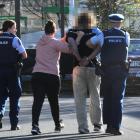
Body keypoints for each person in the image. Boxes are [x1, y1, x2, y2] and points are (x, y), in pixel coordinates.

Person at [87, 14, 130, 135]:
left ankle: (108, 125)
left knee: (108, 98)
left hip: (106, 71)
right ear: (120, 22)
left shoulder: (103, 35)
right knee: (118, 99)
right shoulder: (126, 35)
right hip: (120, 71)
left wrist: (100, 47)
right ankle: (115, 127)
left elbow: (89, 43)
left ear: (111, 22)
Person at [31, 20, 73, 135]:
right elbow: (69, 49)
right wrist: (75, 39)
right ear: (54, 31)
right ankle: (57, 125)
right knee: (53, 101)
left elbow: (54, 42)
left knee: (37, 101)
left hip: (37, 74)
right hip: (51, 75)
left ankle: (35, 126)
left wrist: (62, 39)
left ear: (45, 30)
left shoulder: (40, 42)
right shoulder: (55, 43)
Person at [66, 12, 103, 134]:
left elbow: (72, 47)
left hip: (77, 68)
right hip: (93, 67)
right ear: (90, 20)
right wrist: (88, 59)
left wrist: (79, 59)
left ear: (78, 21)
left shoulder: (71, 32)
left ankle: (83, 128)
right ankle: (97, 125)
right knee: (95, 96)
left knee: (79, 99)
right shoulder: (96, 32)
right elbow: (99, 47)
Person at [0, 20, 27, 130]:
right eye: (15, 27)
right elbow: (24, 55)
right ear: (10, 28)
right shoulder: (14, 39)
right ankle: (14, 124)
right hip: (12, 72)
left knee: (1, 97)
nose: (16, 30)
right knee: (15, 97)